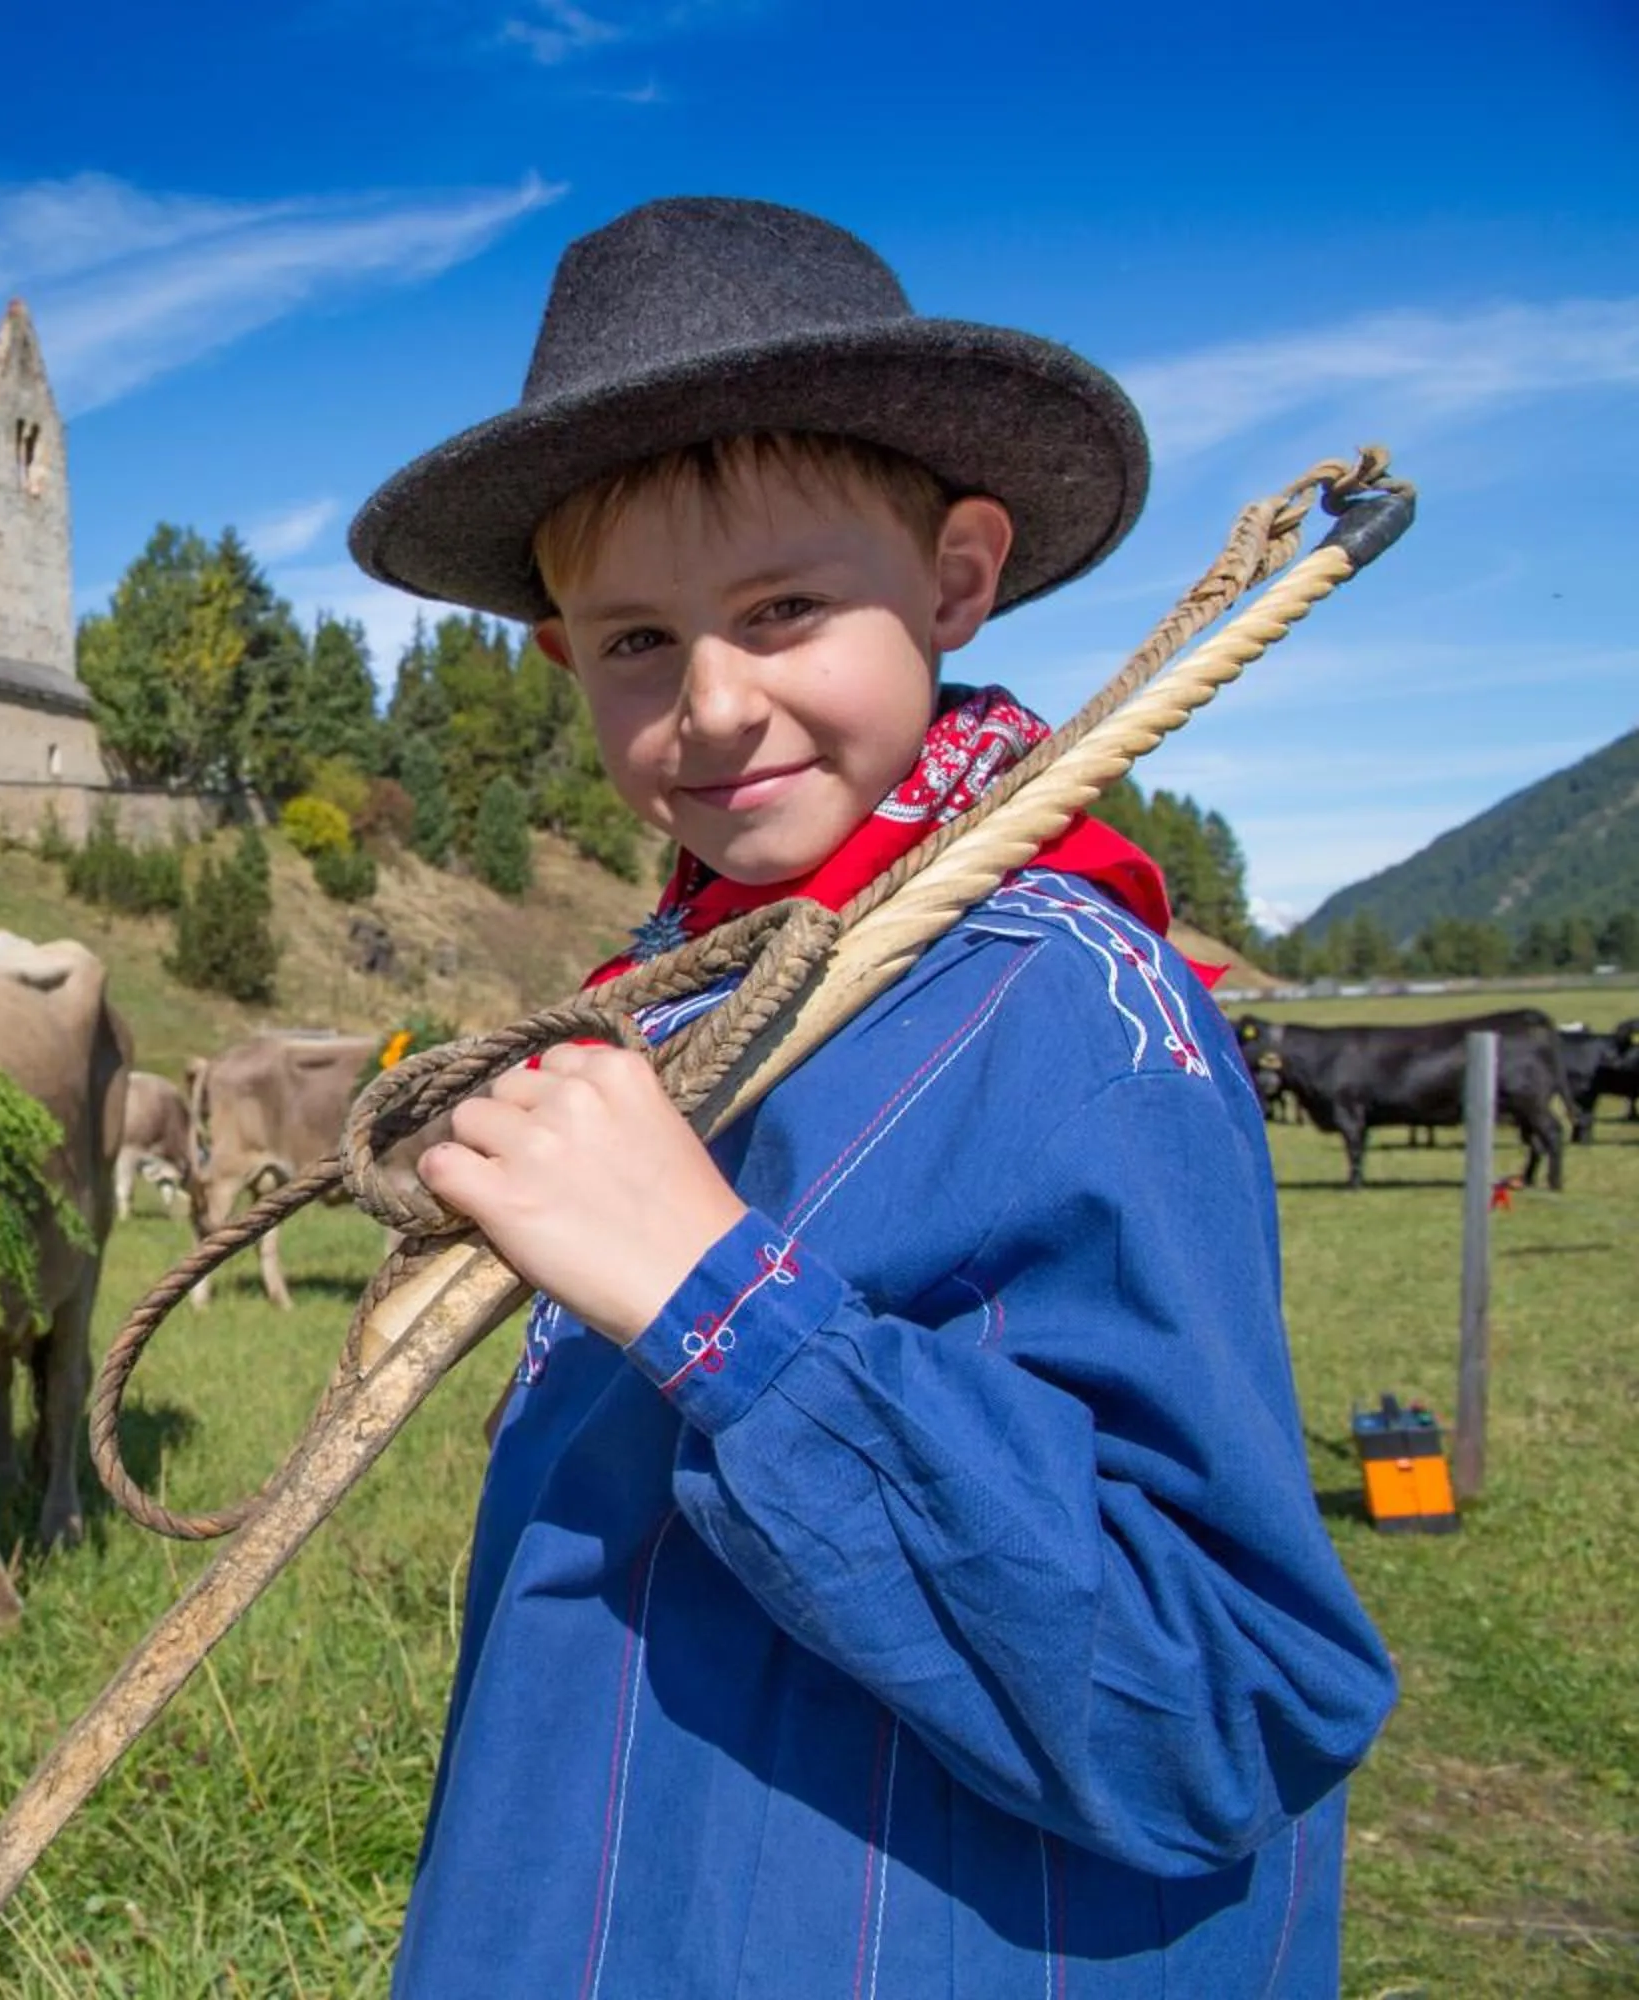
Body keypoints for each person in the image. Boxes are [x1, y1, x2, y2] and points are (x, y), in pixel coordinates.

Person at [347, 198, 1394, 1996]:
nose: (715, 704)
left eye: (784, 609)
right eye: (634, 642)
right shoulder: (675, 1023)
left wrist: (718, 1305)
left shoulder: (1073, 1007)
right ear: (560, 660)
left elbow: (1217, 1697)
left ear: (958, 581)